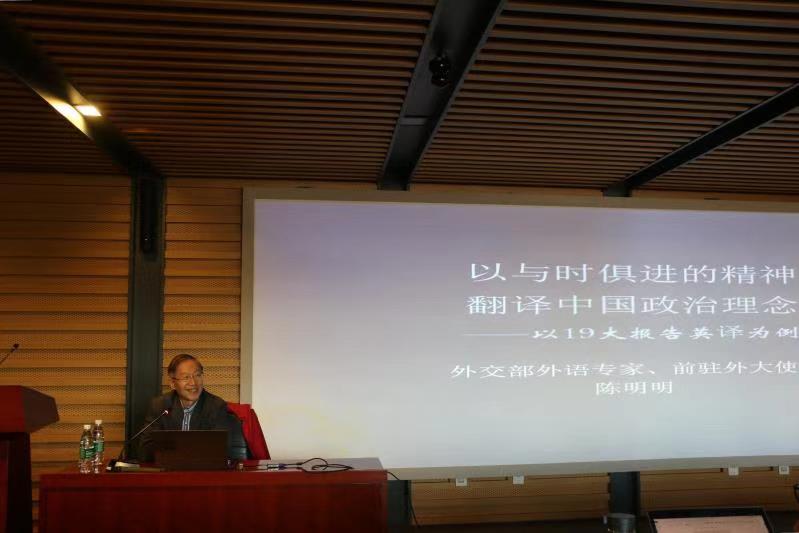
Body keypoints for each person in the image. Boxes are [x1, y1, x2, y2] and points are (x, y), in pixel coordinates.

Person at [137, 353, 246, 462]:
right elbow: (145, 451)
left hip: (202, 470)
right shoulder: (159, 406)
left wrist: (171, 448)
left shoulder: (216, 406)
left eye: (197, 375)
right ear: (173, 383)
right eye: (186, 377)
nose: (193, 383)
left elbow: (220, 451)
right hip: (168, 470)